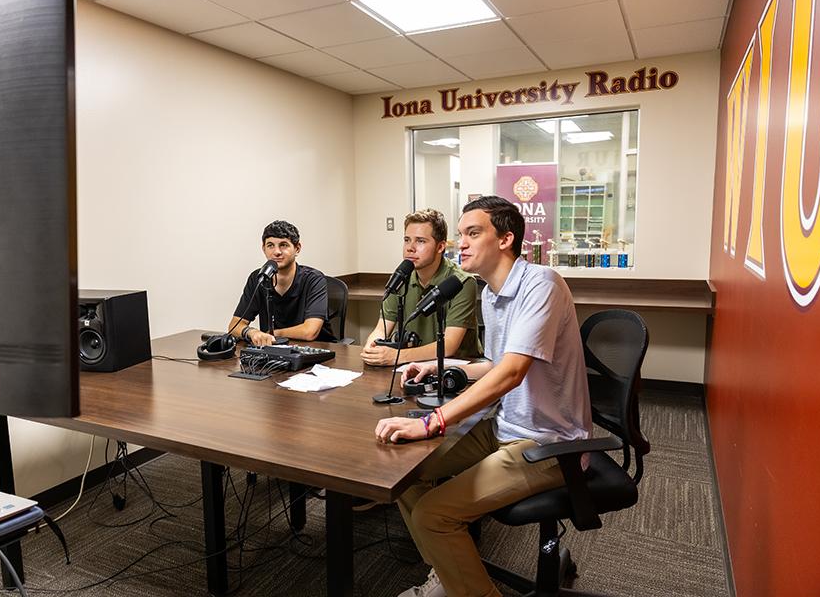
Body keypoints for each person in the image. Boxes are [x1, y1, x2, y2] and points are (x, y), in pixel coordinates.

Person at [374, 196, 591, 597]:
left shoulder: (542, 284)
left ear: (507, 239)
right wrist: (445, 367)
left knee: (432, 515)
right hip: (504, 426)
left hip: (548, 443)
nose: (462, 244)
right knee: (401, 474)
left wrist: (433, 421)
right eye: (460, 235)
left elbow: (511, 373)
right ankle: (452, 572)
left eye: (473, 233)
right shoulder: (490, 292)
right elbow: (494, 363)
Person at [361, 208, 481, 366]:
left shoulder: (462, 282)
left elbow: (449, 345)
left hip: (457, 369)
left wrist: (396, 356)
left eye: (420, 241)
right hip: (411, 365)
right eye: (406, 240)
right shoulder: (400, 277)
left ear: (440, 247)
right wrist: (372, 350)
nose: (410, 247)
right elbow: (382, 328)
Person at [229, 220, 335, 345]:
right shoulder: (258, 278)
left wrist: (273, 334)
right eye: (270, 245)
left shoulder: (314, 279)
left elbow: (309, 332)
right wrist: (252, 332)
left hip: (315, 350)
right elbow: (234, 326)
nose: (277, 252)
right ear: (263, 249)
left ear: (297, 248)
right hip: (274, 351)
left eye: (283, 245)